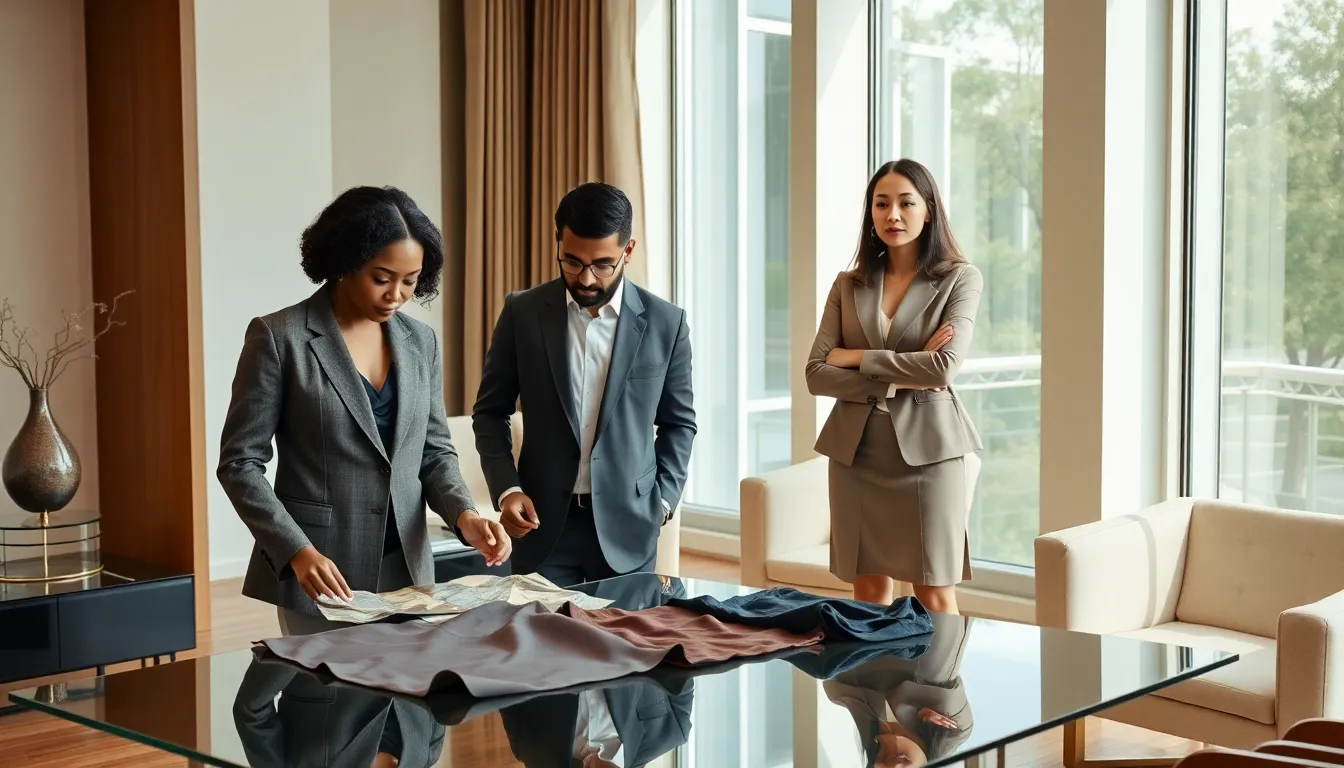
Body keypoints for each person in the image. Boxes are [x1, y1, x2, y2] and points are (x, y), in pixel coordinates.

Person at [218, 185, 511, 639]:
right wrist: (296, 550)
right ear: (344, 261)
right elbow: (240, 464)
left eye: (411, 280)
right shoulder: (279, 338)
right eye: (382, 277)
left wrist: (465, 515)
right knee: (322, 706)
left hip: (410, 570)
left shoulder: (421, 342)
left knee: (408, 706)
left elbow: (433, 452)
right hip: (321, 571)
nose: (397, 294)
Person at [472, 181, 696, 587]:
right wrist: (507, 491)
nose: (586, 278)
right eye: (571, 262)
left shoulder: (668, 323)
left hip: (630, 528)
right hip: (542, 531)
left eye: (603, 265)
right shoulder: (522, 313)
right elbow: (490, 412)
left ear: (628, 251)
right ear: (558, 242)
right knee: (542, 645)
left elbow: (680, 423)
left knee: (625, 648)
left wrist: (661, 502)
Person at [806, 158, 983, 614]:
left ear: (929, 210)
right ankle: (872, 682)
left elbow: (943, 367)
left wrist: (857, 357)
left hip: (928, 454)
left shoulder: (960, 278)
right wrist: (904, 368)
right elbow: (816, 374)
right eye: (881, 204)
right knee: (867, 592)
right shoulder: (849, 284)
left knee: (935, 591)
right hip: (857, 453)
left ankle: (938, 686)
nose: (893, 215)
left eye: (906, 203)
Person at [823, 611, 975, 768]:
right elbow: (961, 718)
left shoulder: (846, 694)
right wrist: (926, 716)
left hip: (871, 608)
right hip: (931, 616)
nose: (896, 766)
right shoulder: (948, 733)